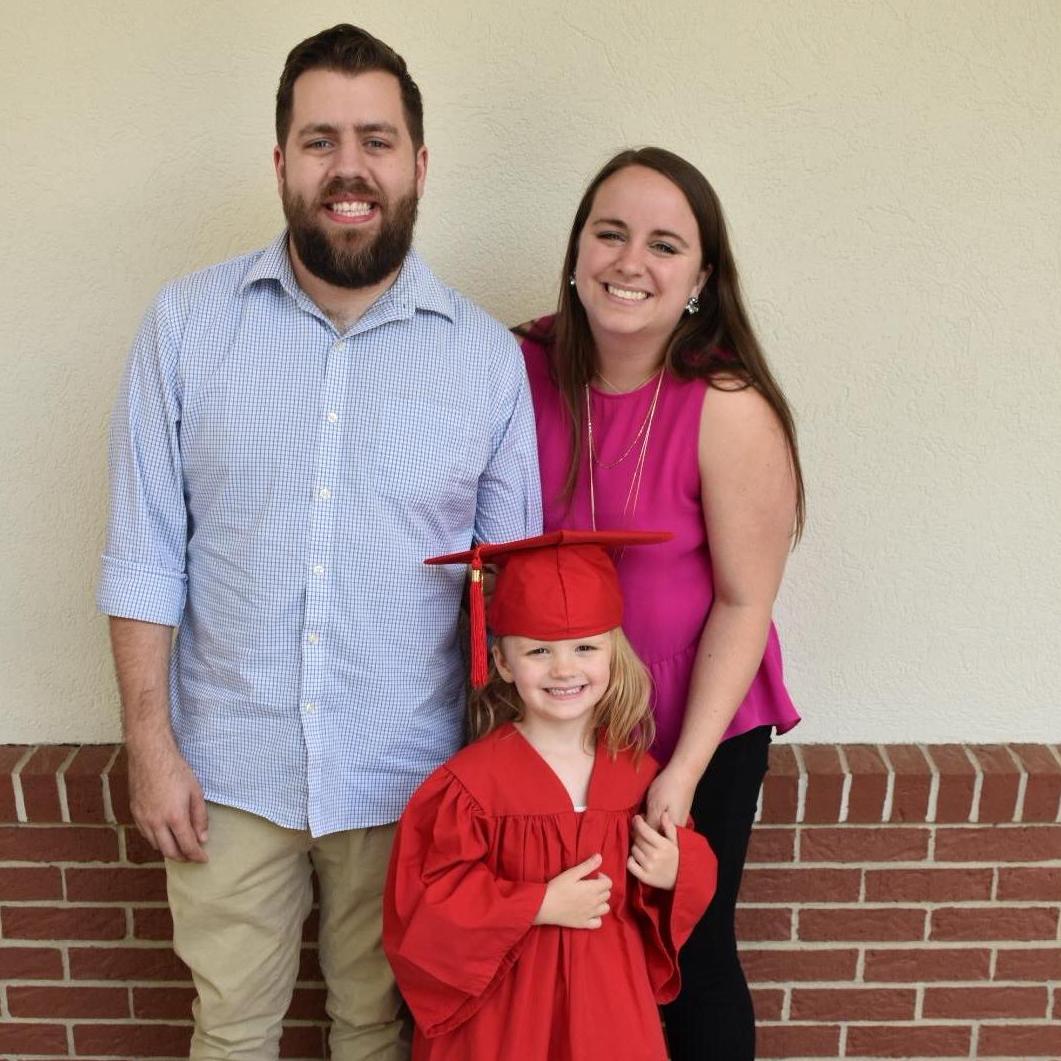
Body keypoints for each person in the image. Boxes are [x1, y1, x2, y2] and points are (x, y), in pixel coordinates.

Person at [98, 24, 540, 1061]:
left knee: (377, 1027)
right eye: (320, 140)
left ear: (418, 164)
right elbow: (143, 549)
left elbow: (508, 588)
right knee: (232, 1030)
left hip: (409, 776)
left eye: (376, 140)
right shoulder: (186, 326)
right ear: (282, 160)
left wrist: (498, 775)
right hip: (226, 769)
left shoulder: (481, 362)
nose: (350, 169)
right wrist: (150, 745)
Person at [517, 147, 804, 1060]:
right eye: (610, 232)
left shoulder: (725, 405)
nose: (629, 262)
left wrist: (680, 772)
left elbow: (744, 599)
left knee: (684, 943)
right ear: (575, 251)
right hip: (554, 710)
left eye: (663, 244)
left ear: (699, 279)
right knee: (564, 945)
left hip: (694, 716)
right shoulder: (513, 370)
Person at [383, 530, 717, 1060]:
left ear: (614, 656)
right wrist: (535, 904)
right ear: (503, 664)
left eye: (585, 647)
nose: (564, 669)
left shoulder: (637, 777)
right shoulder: (467, 788)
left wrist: (677, 870)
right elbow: (423, 907)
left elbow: (682, 872)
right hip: (503, 1019)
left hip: (610, 1009)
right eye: (539, 651)